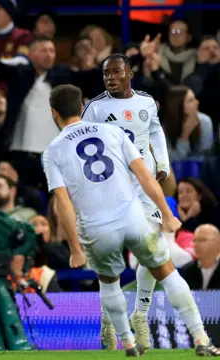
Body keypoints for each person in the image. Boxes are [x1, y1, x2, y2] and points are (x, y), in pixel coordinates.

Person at [43, 84, 219, 356]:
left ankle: (128, 343)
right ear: (82, 107)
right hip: (132, 216)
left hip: (96, 228)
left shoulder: (53, 151)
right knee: (168, 273)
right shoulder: (112, 132)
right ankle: (199, 337)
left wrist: (76, 249)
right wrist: (168, 214)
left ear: (54, 113)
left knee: (109, 282)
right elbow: (145, 175)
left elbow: (63, 203)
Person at [81, 53, 171, 351]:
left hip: (143, 185)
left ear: (129, 72)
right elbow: (78, 143)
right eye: (106, 73)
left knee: (153, 245)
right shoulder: (94, 108)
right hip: (110, 187)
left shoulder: (146, 102)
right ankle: (108, 318)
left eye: (116, 72)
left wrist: (163, 163)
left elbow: (155, 130)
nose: (110, 77)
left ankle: (141, 315)